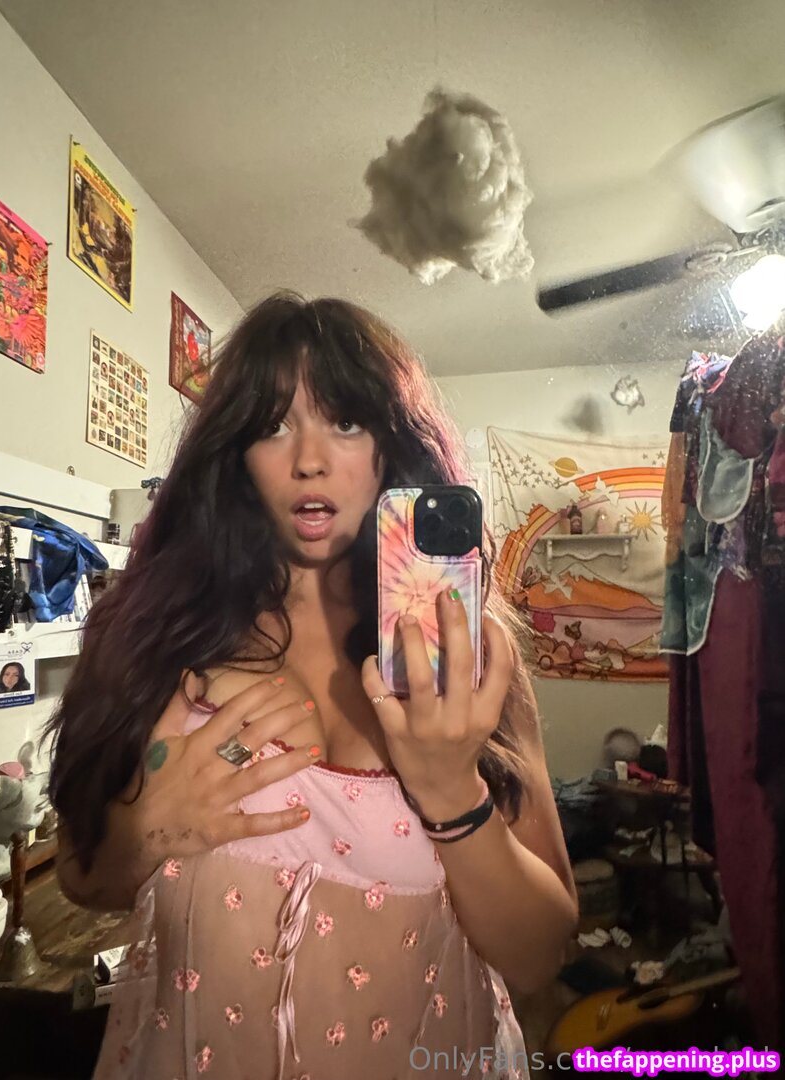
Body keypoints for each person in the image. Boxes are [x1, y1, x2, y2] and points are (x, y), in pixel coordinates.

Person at [45, 293, 577, 1080]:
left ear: (390, 448)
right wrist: (150, 829)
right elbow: (80, 876)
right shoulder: (150, 639)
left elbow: (539, 957)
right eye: (271, 426)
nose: (308, 461)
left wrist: (450, 793)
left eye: (346, 422)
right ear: (235, 456)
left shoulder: (465, 660)